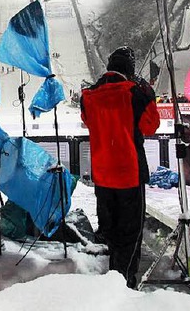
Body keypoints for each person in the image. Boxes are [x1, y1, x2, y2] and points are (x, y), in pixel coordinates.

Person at [80, 46, 160, 288]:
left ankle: (114, 278)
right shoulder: (136, 93)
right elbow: (151, 126)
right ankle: (125, 285)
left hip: (102, 176)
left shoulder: (89, 95)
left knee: (111, 231)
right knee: (130, 233)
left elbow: (87, 121)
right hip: (129, 174)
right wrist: (147, 91)